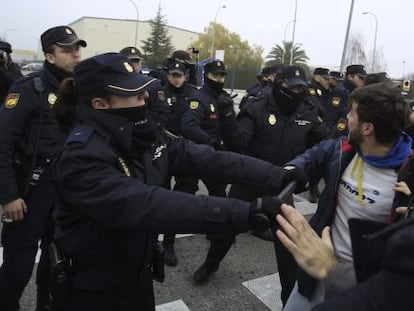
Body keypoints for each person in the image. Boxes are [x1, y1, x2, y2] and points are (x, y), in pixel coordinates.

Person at [51, 52, 305, 311]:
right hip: (94, 286)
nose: (145, 97)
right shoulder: (81, 157)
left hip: (136, 271)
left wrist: (276, 174)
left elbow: (205, 158)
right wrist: (246, 211)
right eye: (133, 93)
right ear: (100, 104)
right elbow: (147, 205)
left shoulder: (142, 133)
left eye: (143, 89)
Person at [192, 65, 331, 305]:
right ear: (279, 84)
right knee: (227, 229)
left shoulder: (307, 111)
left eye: (302, 88)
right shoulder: (257, 106)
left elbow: (325, 144)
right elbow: (238, 143)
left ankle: (289, 299)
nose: (297, 92)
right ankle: (210, 264)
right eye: (292, 87)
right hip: (248, 184)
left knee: (288, 250)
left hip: (281, 189)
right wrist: (227, 118)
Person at [279, 82, 412, 310]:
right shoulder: (343, 150)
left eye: (351, 113)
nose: (347, 118)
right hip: (317, 267)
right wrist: (287, 172)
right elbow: (311, 156)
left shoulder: (409, 170)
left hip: (368, 285)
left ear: (367, 128)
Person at [0, 25, 87, 311]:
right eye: (67, 49)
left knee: (55, 261)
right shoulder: (28, 89)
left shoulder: (81, 91)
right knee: (18, 265)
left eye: (78, 48)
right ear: (50, 56)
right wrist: (9, 196)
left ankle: (45, 306)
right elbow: (3, 144)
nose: (76, 54)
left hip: (66, 194)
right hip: (30, 193)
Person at [160, 60, 198, 266]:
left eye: (179, 75)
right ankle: (163, 243)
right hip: (165, 150)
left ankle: (169, 240)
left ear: (185, 76)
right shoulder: (159, 93)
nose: (176, 78)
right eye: (173, 75)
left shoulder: (194, 94)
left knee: (182, 197)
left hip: (185, 151)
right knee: (163, 196)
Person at [181, 59, 230, 198]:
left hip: (217, 156)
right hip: (197, 154)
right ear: (207, 76)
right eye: (215, 76)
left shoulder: (224, 98)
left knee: (219, 194)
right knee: (186, 193)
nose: (219, 80)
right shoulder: (198, 98)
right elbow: (188, 127)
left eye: (221, 76)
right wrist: (212, 142)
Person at [120, 45, 169, 126]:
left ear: (141, 62)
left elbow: (161, 112)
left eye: (136, 61)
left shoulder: (152, 85)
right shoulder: (112, 86)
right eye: (129, 61)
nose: (133, 64)